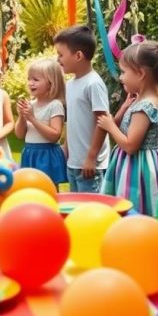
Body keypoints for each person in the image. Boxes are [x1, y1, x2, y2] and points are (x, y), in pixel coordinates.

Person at [99, 39, 158, 215]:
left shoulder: (145, 107)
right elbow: (123, 128)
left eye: (123, 72)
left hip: (138, 169)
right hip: (137, 163)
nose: (120, 77)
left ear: (140, 74)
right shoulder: (141, 102)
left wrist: (110, 126)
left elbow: (130, 145)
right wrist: (124, 108)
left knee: (138, 205)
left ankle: (139, 236)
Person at [54, 24, 110, 193]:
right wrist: (65, 147)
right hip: (74, 162)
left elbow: (102, 122)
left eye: (61, 55)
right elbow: (73, 120)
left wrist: (91, 157)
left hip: (90, 165)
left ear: (78, 55)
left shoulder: (93, 83)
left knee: (91, 212)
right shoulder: (70, 84)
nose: (58, 59)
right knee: (76, 211)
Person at [15, 58, 67, 188]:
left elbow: (55, 135)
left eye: (35, 80)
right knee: (29, 189)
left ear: (51, 83)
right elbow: (20, 135)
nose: (30, 83)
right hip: (30, 152)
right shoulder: (31, 105)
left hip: (46, 155)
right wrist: (22, 116)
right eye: (29, 79)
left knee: (48, 189)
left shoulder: (55, 105)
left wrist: (32, 118)